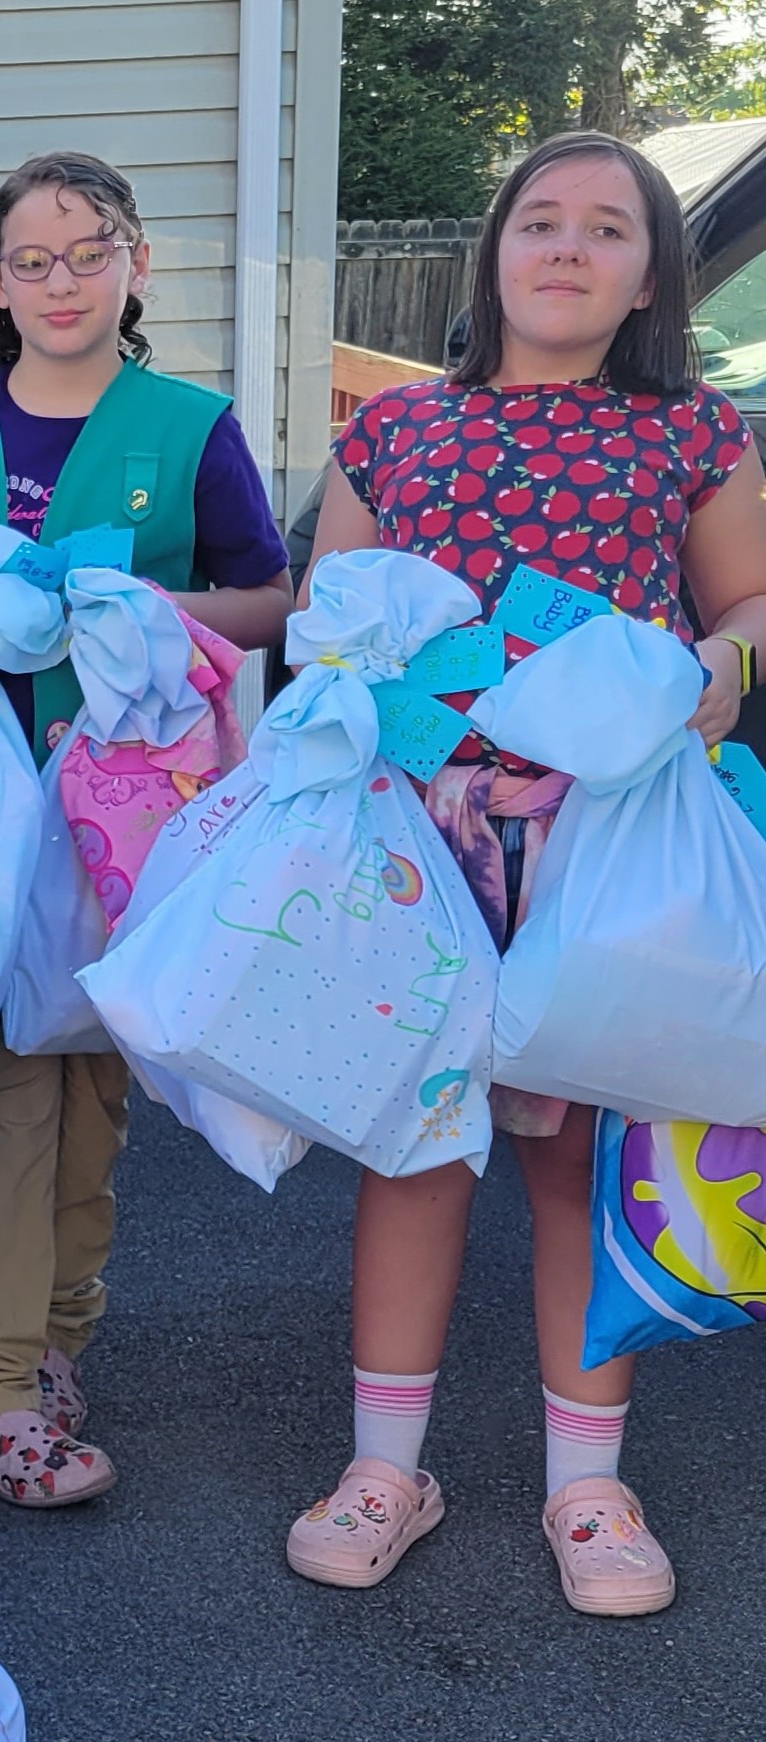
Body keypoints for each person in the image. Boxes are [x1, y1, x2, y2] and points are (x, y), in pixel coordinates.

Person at [296, 131, 766, 1616]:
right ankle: (388, 1465)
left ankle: (586, 1480)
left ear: (649, 278)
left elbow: (748, 592)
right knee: (413, 1141)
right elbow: (331, 617)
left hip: (606, 836)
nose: (566, 250)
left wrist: (725, 660)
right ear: (491, 251)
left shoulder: (693, 433)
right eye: (540, 222)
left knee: (576, 1157)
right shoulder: (392, 434)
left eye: (607, 230)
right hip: (417, 838)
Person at [0, 151, 295, 1509]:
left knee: (94, 1095)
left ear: (137, 263)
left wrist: (122, 607)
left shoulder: (186, 426)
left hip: (127, 816)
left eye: (89, 252)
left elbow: (265, 597)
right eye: (32, 259)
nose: (61, 280)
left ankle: (49, 1340)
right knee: (3, 1088)